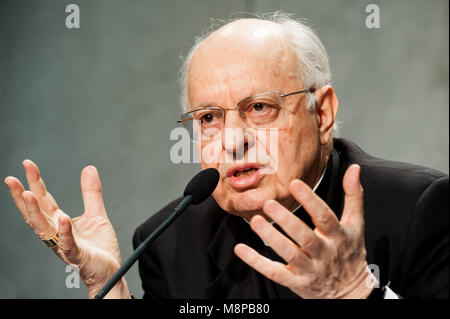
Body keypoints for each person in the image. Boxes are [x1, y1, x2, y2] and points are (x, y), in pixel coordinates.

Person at [4, 13, 448, 299]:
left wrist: (354, 293)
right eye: (210, 118)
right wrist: (109, 286)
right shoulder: (170, 244)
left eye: (259, 108)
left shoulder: (421, 208)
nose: (232, 141)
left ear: (323, 112)